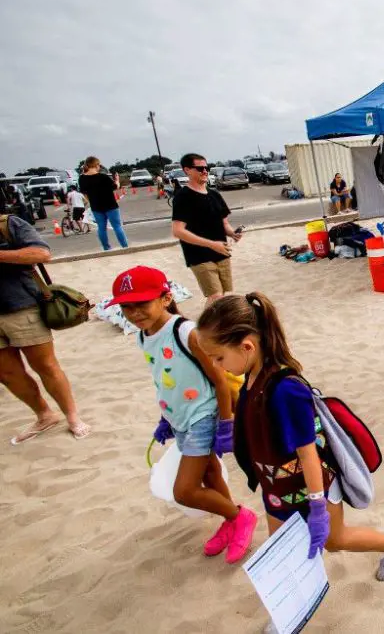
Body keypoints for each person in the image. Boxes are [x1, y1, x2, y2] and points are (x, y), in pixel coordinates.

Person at [197, 293, 384, 586]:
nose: (218, 367)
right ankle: (290, 617)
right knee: (284, 548)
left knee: (335, 540)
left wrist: (318, 508)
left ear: (247, 346)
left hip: (313, 487)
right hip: (276, 488)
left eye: (219, 358)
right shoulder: (250, 378)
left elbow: (309, 455)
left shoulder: (287, 391)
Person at [110, 265, 256, 561]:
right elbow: (165, 377)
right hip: (180, 420)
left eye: (142, 304)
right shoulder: (144, 335)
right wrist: (165, 418)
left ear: (165, 298)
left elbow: (218, 378)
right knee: (212, 474)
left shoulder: (185, 332)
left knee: (185, 490)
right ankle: (231, 522)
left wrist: (226, 422)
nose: (135, 313)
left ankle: (241, 517)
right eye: (127, 307)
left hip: (202, 418)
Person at [1, 214, 90, 444]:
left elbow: (41, 253)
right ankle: (44, 415)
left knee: (46, 366)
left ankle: (72, 417)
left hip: (21, 306)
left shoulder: (8, 224)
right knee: (7, 374)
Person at [171, 153, 242, 306]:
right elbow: (178, 231)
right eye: (200, 168)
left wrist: (233, 233)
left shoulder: (214, 194)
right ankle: (209, 327)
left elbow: (224, 224)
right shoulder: (183, 197)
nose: (205, 171)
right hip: (199, 255)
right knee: (216, 297)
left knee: (221, 295)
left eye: (206, 168)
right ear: (187, 170)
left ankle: (211, 325)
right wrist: (211, 244)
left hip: (222, 252)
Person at [79, 156, 128, 250]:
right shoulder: (103, 177)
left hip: (96, 206)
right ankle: (124, 246)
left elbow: (83, 193)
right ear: (96, 165)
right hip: (110, 205)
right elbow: (115, 187)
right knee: (117, 226)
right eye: (99, 165)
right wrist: (117, 180)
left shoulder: (82, 178)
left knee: (101, 228)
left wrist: (90, 201)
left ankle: (106, 248)